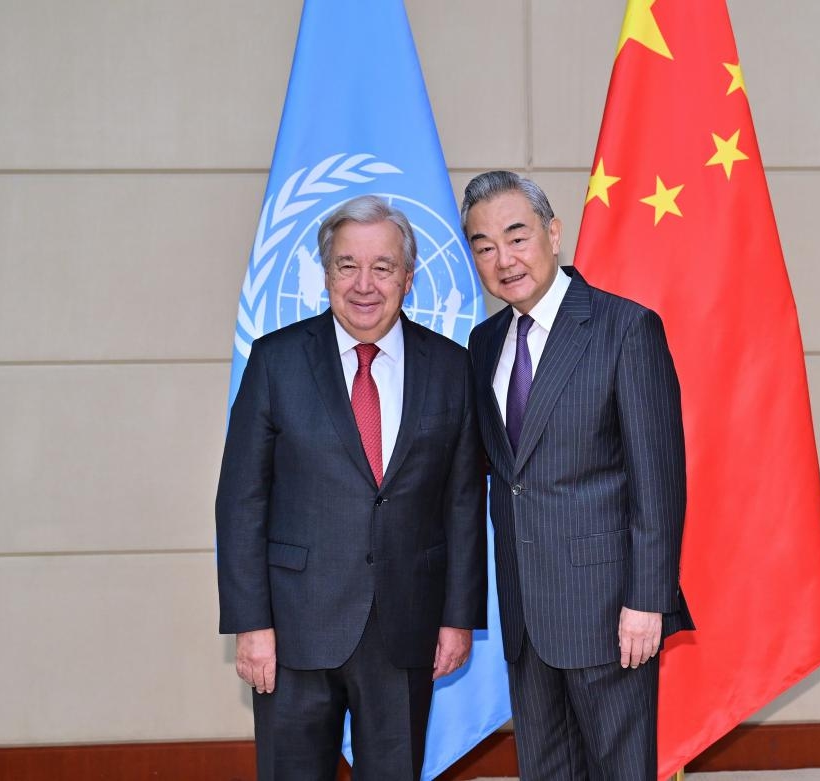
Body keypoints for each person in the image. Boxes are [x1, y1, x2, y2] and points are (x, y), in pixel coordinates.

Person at [216, 194, 486, 781]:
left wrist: (457, 618)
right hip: (292, 632)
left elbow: (463, 503)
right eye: (347, 265)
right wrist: (251, 625)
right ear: (326, 273)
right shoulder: (275, 362)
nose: (364, 284)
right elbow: (241, 503)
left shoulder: (451, 368)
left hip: (405, 630)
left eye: (383, 267)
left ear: (408, 278)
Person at [462, 171, 693, 780]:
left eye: (517, 236)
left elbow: (658, 480)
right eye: (483, 246)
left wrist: (648, 601)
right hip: (526, 616)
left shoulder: (625, 328)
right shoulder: (484, 343)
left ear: (554, 234)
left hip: (609, 614)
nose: (503, 259)